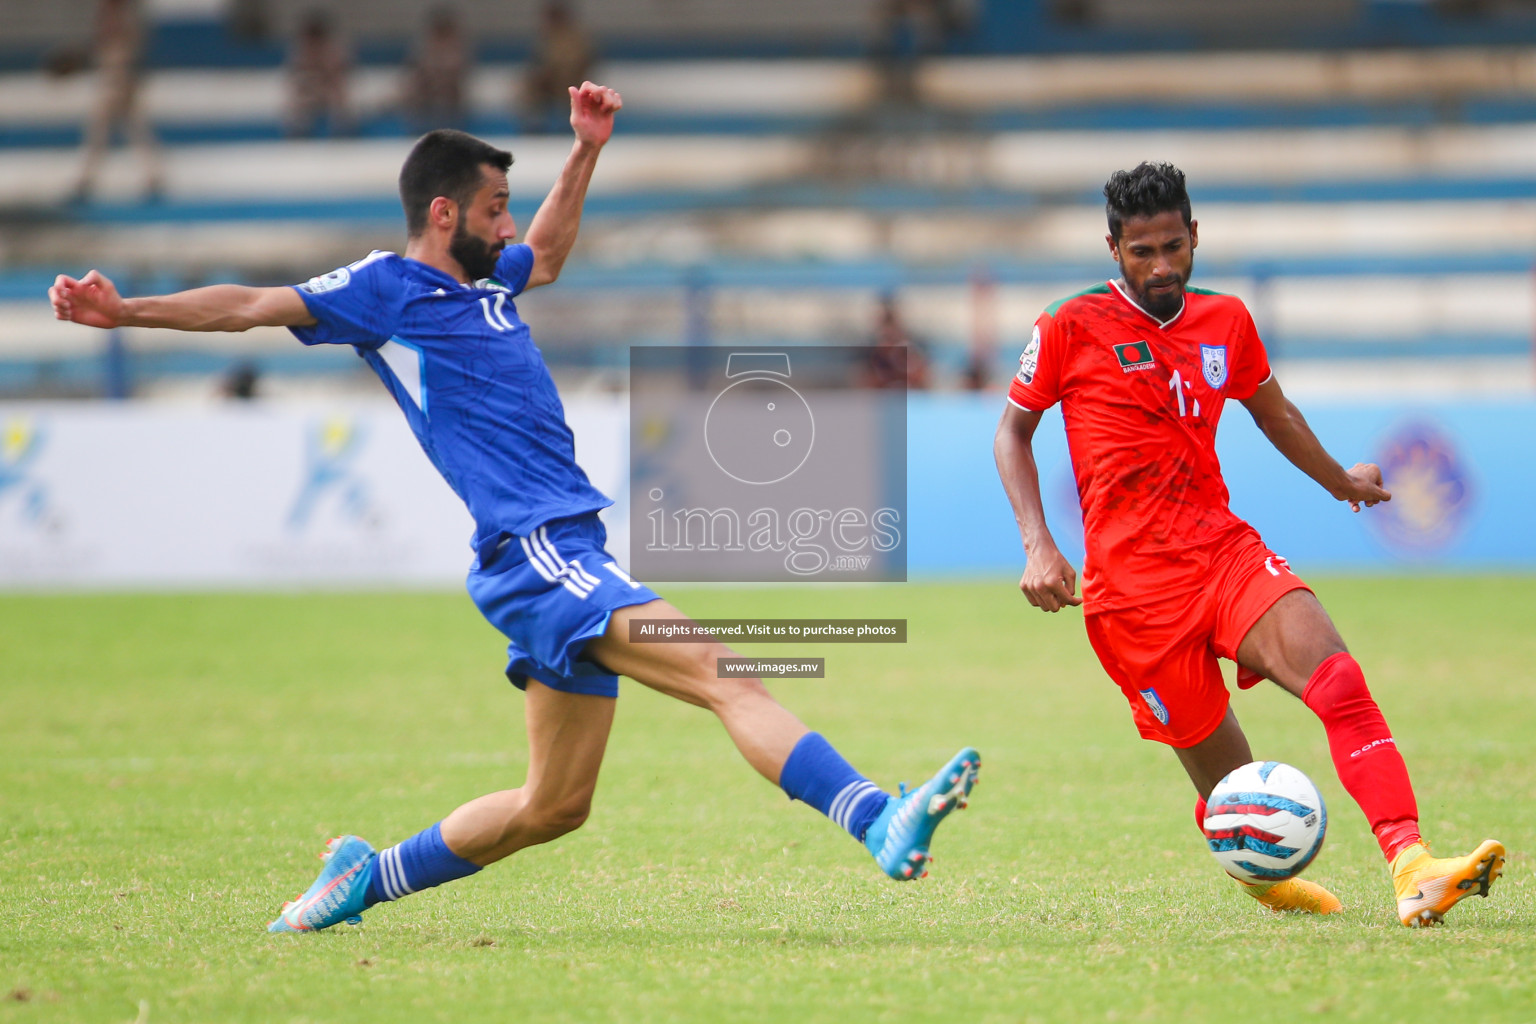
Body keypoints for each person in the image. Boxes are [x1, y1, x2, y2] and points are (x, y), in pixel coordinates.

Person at [50, 83, 979, 934]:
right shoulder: (386, 290)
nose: (507, 227)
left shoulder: (489, 283)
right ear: (443, 212)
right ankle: (875, 817)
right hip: (539, 552)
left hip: (554, 553)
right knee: (726, 671)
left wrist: (584, 151)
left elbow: (557, 249)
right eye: (495, 210)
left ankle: (360, 879)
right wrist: (127, 312)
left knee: (553, 806)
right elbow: (251, 303)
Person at [992, 161, 1504, 927]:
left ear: (1195, 236)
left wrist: (1340, 481)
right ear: (1113, 250)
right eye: (1142, 253)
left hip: (1222, 554)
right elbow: (1012, 433)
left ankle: (1413, 864)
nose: (1162, 266)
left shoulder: (1226, 321)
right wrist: (1038, 544)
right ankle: (1264, 879)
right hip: (1133, 601)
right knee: (1234, 795)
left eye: (1173, 247)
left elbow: (1274, 412)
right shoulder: (1068, 326)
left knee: (1339, 681)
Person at [68, 0, 164, 202]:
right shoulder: (105, 20)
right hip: (110, 82)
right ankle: (87, 180)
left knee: (133, 132)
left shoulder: (126, 22)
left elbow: (131, 55)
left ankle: (152, 177)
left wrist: (126, 85)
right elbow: (97, 51)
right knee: (101, 133)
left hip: (122, 83)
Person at [519, 2, 594, 134]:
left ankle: (572, 125)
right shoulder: (546, 38)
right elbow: (540, 63)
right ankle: (535, 124)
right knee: (529, 86)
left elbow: (582, 61)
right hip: (550, 82)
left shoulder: (575, 37)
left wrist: (562, 73)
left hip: (572, 80)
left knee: (568, 85)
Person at [402, 6, 470, 130]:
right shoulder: (416, 78)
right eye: (438, 48)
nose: (442, 59)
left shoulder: (459, 67)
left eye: (448, 49)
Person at [284, 11, 351, 137]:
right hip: (309, 90)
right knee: (296, 100)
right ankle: (297, 133)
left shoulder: (333, 50)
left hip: (330, 88)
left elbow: (337, 74)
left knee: (338, 96)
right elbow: (295, 76)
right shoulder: (300, 51)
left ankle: (343, 131)